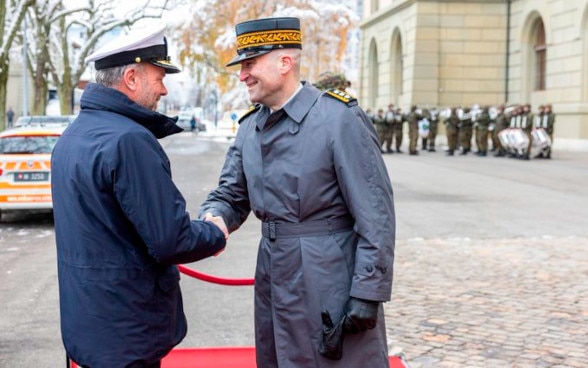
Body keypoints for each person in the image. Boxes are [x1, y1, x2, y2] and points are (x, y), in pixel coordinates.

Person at [199, 17, 396, 367]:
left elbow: (375, 211)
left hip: (328, 275)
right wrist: (213, 218)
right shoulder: (250, 127)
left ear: (285, 63)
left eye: (250, 64)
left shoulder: (338, 118)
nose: (242, 75)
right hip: (274, 270)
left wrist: (368, 290)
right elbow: (231, 194)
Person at [51, 25, 228, 368]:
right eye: (159, 76)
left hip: (89, 326)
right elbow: (171, 239)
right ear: (131, 77)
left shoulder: (73, 135)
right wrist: (215, 232)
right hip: (126, 331)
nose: (163, 89)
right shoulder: (129, 140)